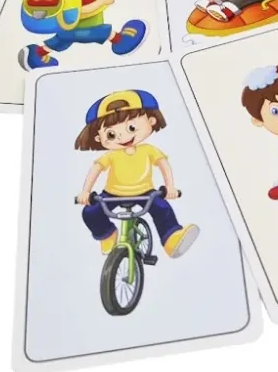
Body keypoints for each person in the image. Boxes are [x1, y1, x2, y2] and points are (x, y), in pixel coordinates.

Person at [75, 89, 199, 257]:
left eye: (132, 127)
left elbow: (163, 165)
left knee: (162, 209)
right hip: (113, 194)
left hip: (145, 192)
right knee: (90, 212)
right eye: (111, 134)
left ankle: (171, 240)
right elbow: (95, 169)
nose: (123, 137)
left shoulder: (148, 150)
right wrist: (86, 191)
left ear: (151, 121)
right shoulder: (111, 155)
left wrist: (170, 187)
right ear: (98, 138)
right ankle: (107, 234)